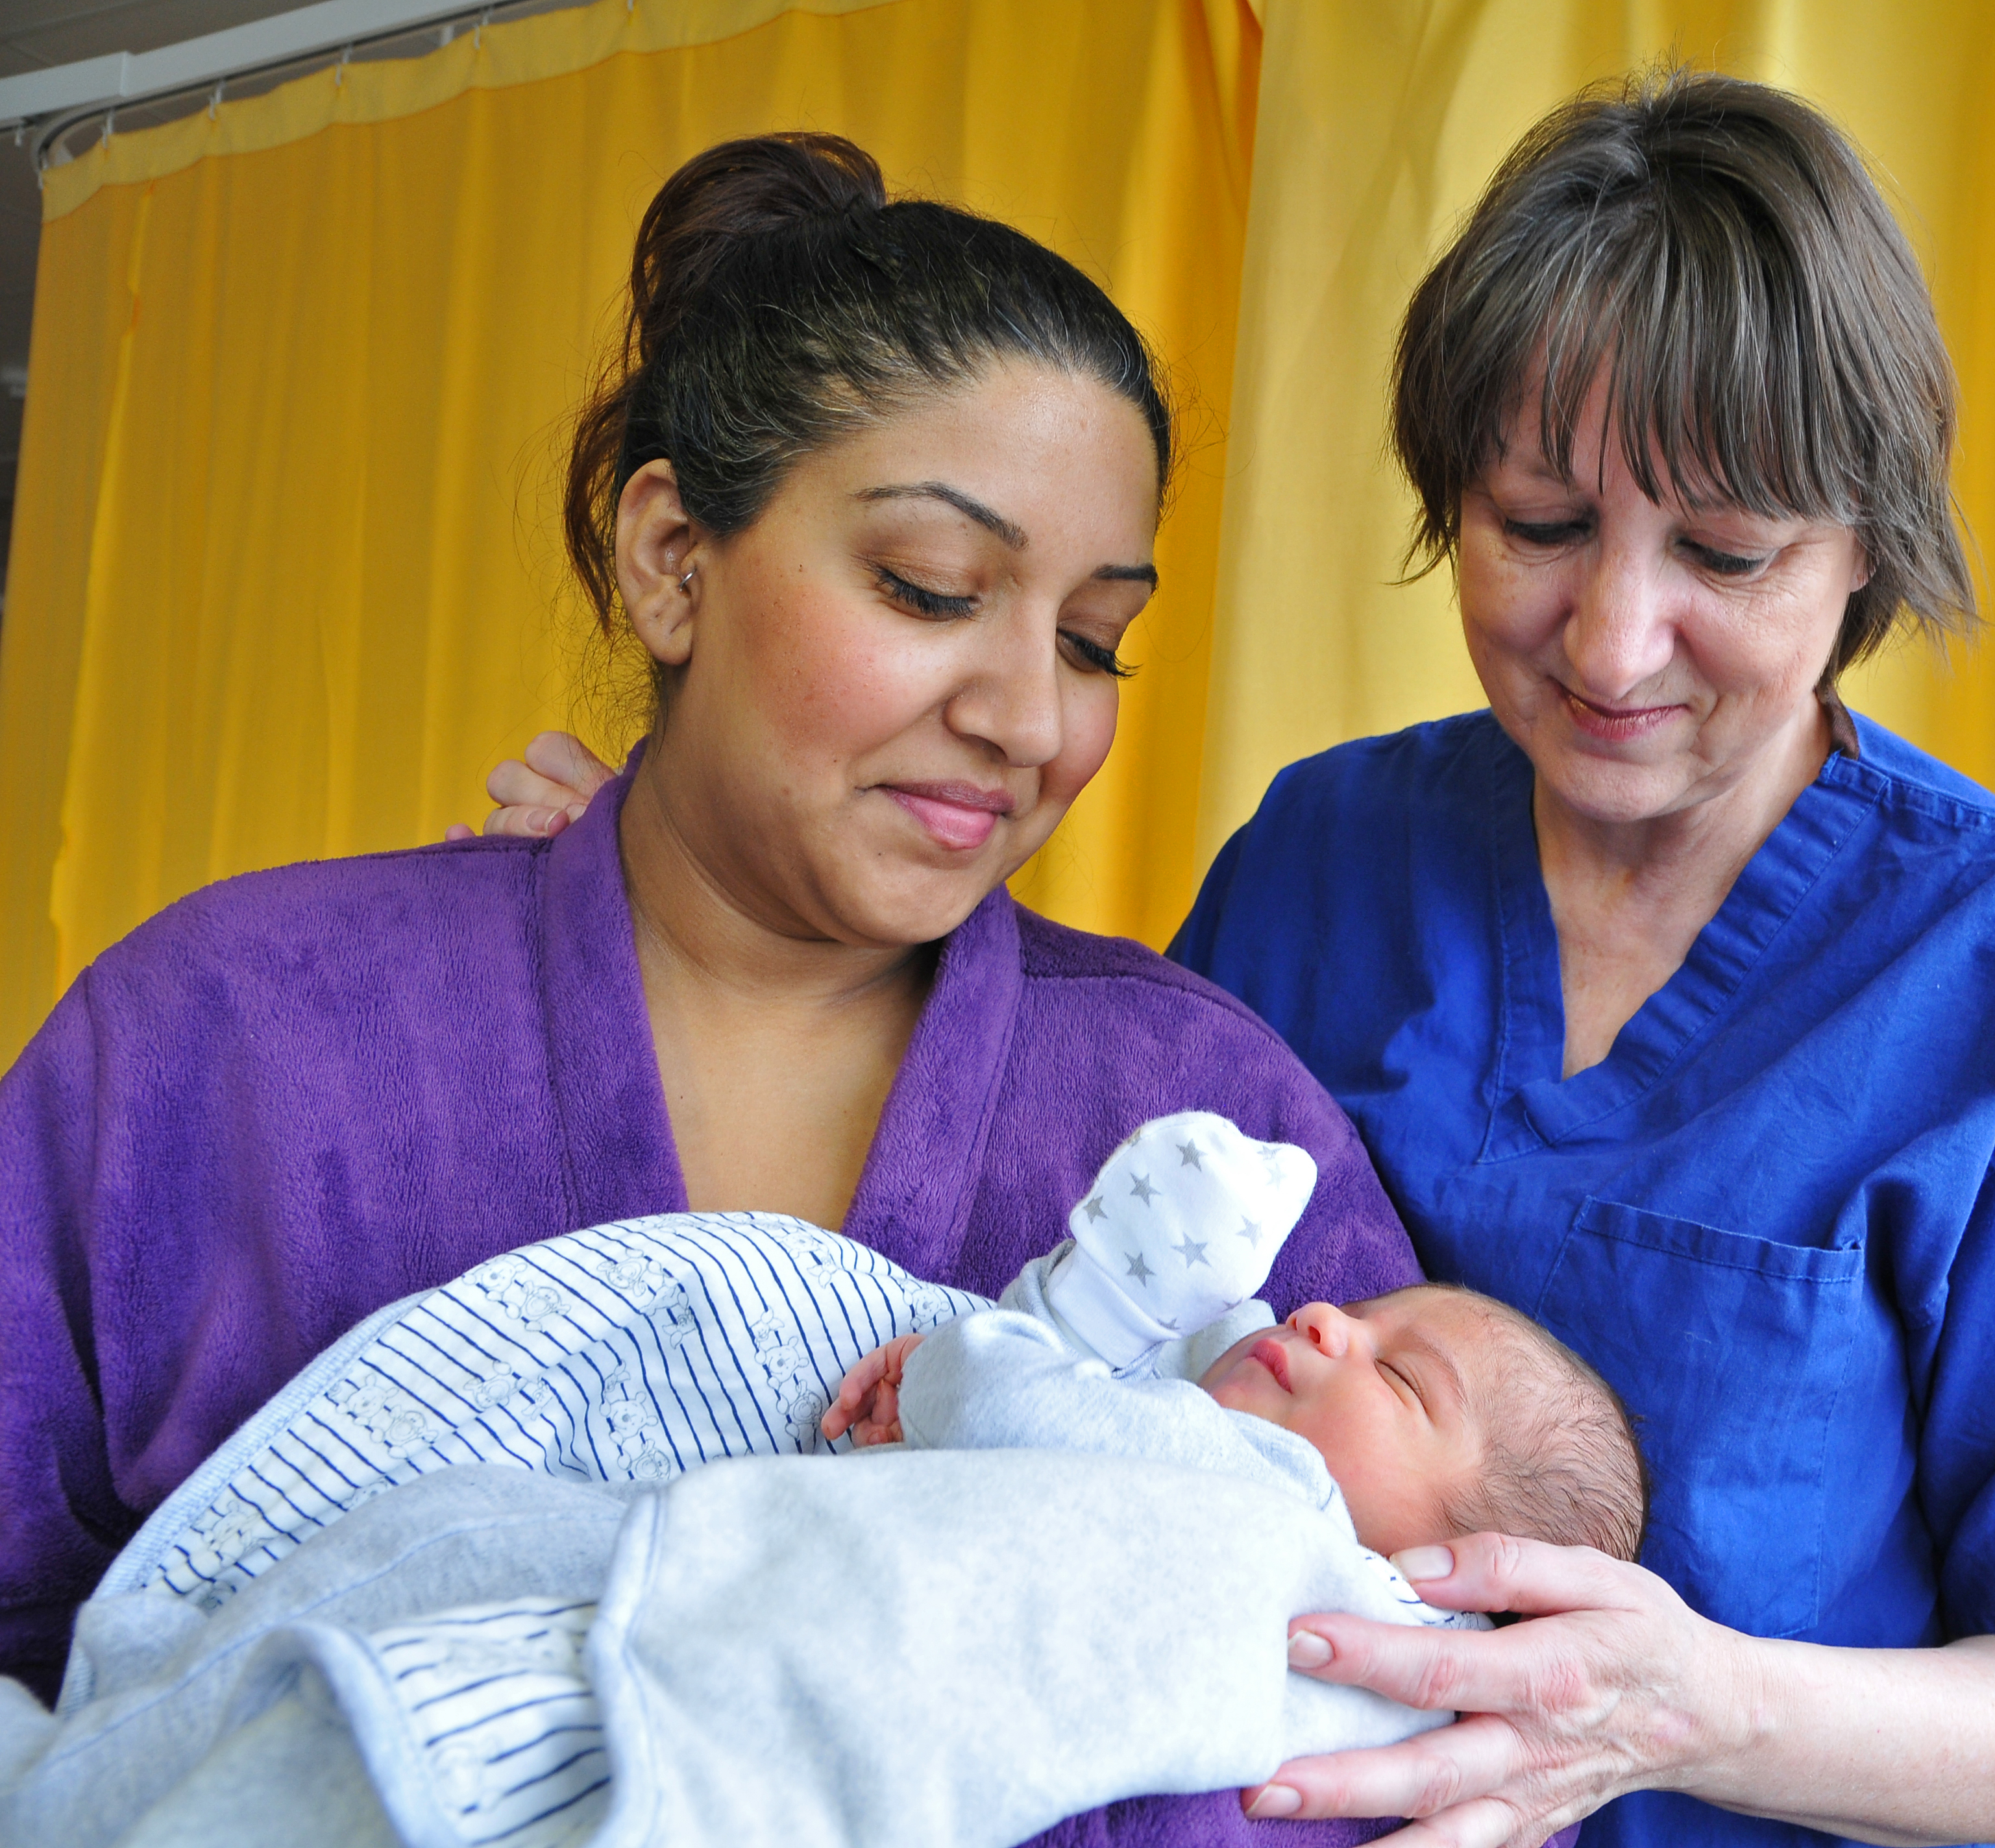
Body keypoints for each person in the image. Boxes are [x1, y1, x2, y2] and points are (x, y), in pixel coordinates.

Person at [476, 73, 1995, 1848]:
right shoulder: (1323, 859)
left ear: (1860, 554)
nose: (1611, 642)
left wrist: (1692, 1708)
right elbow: (1033, 1217)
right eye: (1536, 528)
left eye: (1724, 552)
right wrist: (679, 882)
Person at [0, 130, 1430, 1848]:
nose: (1030, 720)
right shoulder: (223, 1038)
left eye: (1087, 637)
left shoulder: (1205, 1124)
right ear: (673, 561)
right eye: (932, 589)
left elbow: (1437, 1735)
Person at [828, 1110, 1651, 1564]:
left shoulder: (1276, 1506)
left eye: (1400, 1378)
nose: (1321, 1315)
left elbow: (994, 1403)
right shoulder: (1203, 1416)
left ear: (1454, 1569)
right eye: (1360, 1313)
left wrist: (962, 1358)